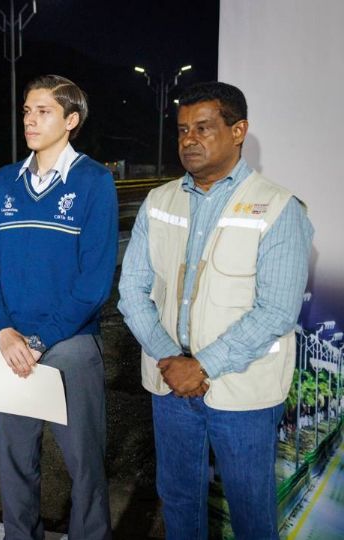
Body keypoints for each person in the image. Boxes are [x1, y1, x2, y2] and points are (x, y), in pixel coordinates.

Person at [117, 81, 312, 539]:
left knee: (249, 506)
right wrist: (172, 361)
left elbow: (277, 310)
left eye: (203, 128)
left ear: (238, 130)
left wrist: (202, 365)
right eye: (183, 129)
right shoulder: (160, 202)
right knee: (179, 499)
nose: (189, 139)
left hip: (241, 389)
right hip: (171, 387)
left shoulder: (280, 208)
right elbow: (132, 290)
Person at [0, 75, 118, 540]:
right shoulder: (4, 183)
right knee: (15, 467)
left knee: (85, 468)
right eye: (26, 111)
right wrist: (4, 330)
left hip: (69, 344)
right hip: (10, 344)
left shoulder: (94, 182)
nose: (30, 120)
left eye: (44, 112)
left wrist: (39, 340)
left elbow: (94, 284)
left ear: (71, 121)